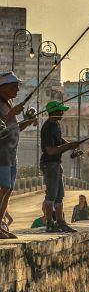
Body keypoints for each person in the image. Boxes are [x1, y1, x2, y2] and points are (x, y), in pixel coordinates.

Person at [0, 72, 36, 239]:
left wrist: (26, 123)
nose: (17, 88)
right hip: (2, 154)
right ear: (3, 87)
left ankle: (0, 225)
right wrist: (11, 113)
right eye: (14, 85)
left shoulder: (8, 103)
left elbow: (12, 128)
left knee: (8, 190)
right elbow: (2, 127)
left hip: (11, 155)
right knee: (3, 188)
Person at [40, 100, 80, 233]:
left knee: (59, 195)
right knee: (51, 194)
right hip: (49, 164)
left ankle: (61, 222)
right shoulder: (47, 127)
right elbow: (50, 150)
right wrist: (68, 146)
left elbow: (60, 141)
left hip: (57, 163)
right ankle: (50, 223)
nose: (62, 112)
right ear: (53, 112)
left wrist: (71, 147)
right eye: (60, 111)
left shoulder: (56, 125)